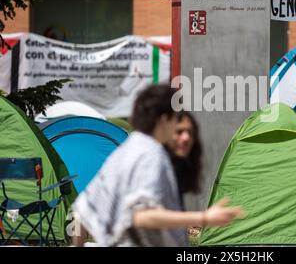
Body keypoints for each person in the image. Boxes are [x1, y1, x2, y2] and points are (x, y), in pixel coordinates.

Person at [72, 85, 244, 246]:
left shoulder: (128, 148)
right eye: (176, 119)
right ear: (164, 120)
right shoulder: (150, 154)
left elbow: (83, 209)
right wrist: (203, 217)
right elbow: (141, 216)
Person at [166, 111, 203, 207]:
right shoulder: (156, 166)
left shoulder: (181, 166)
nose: (186, 138)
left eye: (190, 133)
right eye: (179, 132)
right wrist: (204, 217)